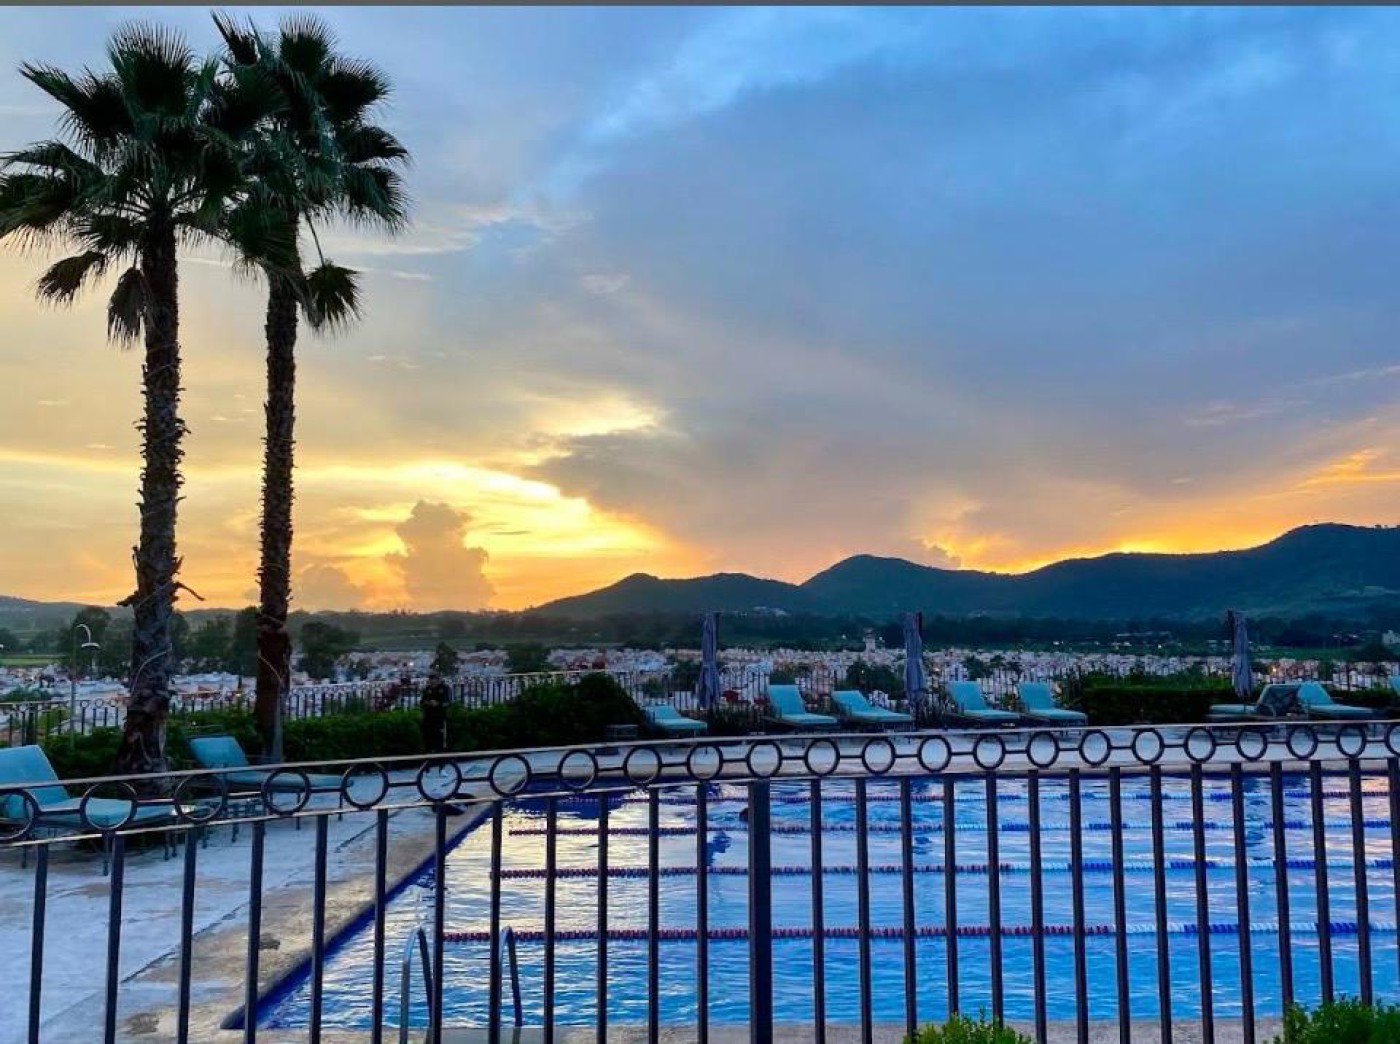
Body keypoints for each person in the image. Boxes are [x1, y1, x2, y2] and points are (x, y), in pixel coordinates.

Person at [420, 669, 450, 756]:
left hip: (439, 716)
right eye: (431, 679)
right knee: (427, 734)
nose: (432, 681)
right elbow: (422, 701)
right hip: (428, 715)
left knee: (439, 735)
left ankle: (439, 752)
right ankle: (428, 751)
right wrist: (429, 703)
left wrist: (438, 704)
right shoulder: (427, 689)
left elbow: (447, 702)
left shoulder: (443, 688)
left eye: (434, 679)